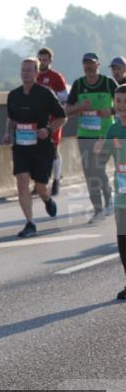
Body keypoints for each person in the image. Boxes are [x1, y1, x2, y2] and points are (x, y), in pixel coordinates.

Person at [2, 58, 66, 238]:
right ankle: (30, 223)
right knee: (22, 183)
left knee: (40, 187)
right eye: (23, 70)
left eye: (29, 70)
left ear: (37, 73)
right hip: (21, 147)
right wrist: (7, 133)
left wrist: (48, 130)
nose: (25, 73)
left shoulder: (46, 94)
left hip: (41, 147)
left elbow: (62, 117)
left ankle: (47, 199)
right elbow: (11, 118)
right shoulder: (13, 95)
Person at [65, 52, 118, 223]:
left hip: (106, 133)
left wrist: (109, 111)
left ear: (98, 65)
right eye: (85, 63)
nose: (88, 66)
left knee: (99, 168)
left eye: (91, 63)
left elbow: (122, 103)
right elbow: (67, 110)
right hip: (85, 134)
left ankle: (109, 201)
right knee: (89, 173)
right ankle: (98, 209)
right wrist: (80, 106)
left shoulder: (108, 83)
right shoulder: (79, 85)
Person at [94, 84, 126, 300]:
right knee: (123, 241)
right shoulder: (113, 129)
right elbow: (102, 157)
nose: (121, 106)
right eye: (118, 101)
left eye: (125, 101)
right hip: (122, 194)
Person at [36, 47, 69, 195]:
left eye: (45, 60)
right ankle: (38, 183)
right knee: (35, 150)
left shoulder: (56, 77)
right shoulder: (34, 75)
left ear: (50, 60)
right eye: (40, 60)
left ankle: (56, 180)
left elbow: (64, 96)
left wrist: (51, 96)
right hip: (37, 119)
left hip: (53, 119)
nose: (42, 62)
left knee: (54, 149)